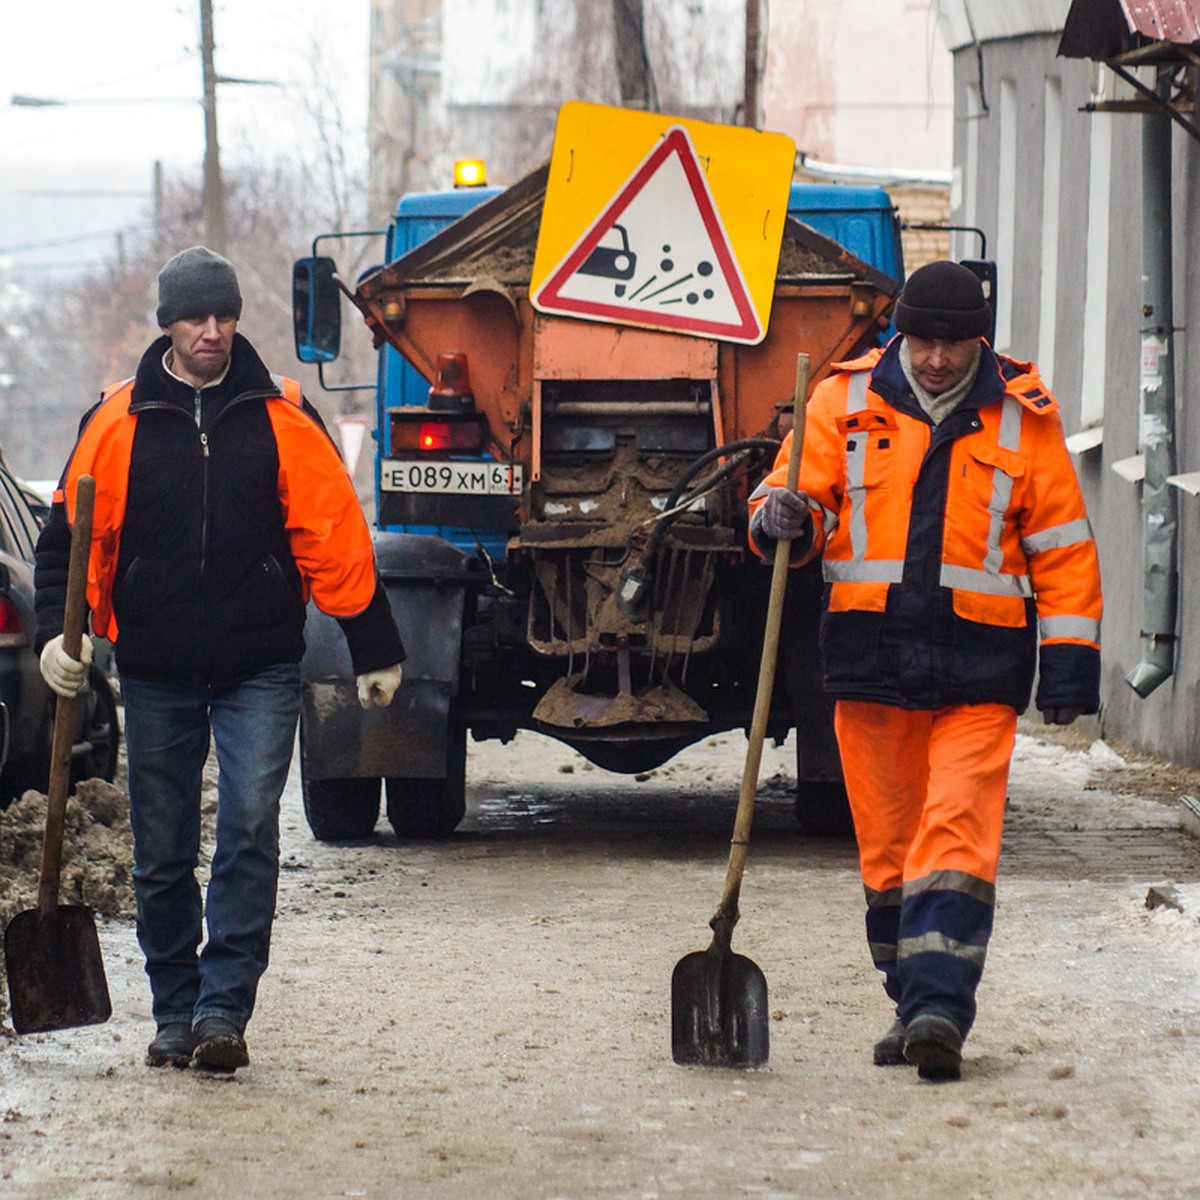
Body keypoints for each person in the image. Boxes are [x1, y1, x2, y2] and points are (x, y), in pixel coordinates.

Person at [35, 246, 406, 1074]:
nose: (213, 330)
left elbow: (333, 534)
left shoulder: (278, 414)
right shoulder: (116, 420)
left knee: (246, 827)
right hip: (157, 669)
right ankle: (173, 1010)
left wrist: (373, 640)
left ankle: (223, 1011)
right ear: (167, 322)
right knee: (162, 849)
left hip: (258, 666)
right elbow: (70, 539)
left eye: (225, 315)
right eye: (197, 316)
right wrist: (58, 641)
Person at [748, 260, 1102, 1081]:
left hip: (980, 668)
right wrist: (782, 515)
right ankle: (910, 1000)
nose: (938, 358)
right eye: (924, 340)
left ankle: (942, 1005)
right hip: (871, 666)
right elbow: (794, 497)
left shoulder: (1025, 420)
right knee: (889, 851)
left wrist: (1071, 668)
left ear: (979, 338)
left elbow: (1063, 550)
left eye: (954, 342)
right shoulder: (840, 401)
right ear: (899, 332)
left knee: (956, 832)